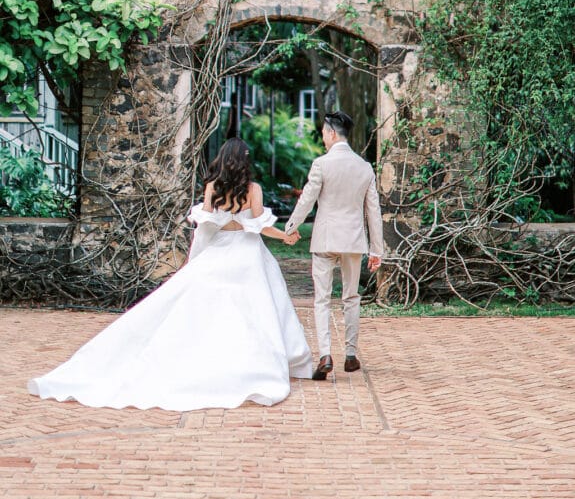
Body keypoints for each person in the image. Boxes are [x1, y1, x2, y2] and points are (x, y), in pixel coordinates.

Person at [28, 138, 313, 411]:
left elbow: (205, 226)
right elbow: (258, 226)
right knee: (255, 311)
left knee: (209, 309)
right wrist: (284, 237)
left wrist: (196, 258)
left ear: (224, 159)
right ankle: (251, 363)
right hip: (248, 256)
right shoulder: (253, 189)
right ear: (244, 160)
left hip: (220, 251)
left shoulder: (213, 187)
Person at [285, 111, 384, 380]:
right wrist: (377, 249)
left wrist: (290, 227)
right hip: (353, 240)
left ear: (331, 133)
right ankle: (350, 355)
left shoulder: (321, 164)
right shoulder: (364, 167)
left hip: (326, 239)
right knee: (351, 297)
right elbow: (372, 210)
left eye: (323, 134)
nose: (323, 139)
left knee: (322, 299)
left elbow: (307, 199)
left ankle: (325, 354)